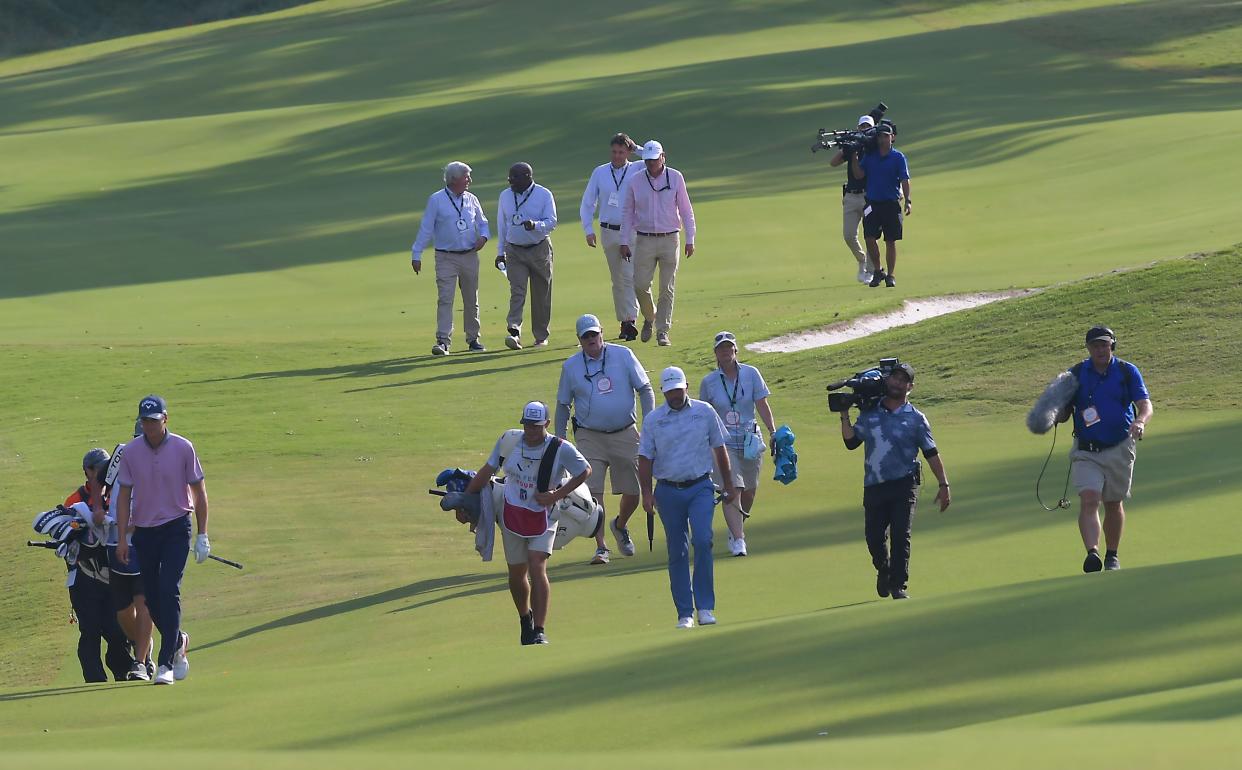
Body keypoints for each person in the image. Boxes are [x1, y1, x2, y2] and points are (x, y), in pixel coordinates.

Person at [463, 401, 591, 645]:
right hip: (512, 514)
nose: (531, 431)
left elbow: (585, 471)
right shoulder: (509, 440)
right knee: (516, 574)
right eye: (527, 425)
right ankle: (525, 618)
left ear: (547, 425)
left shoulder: (561, 448)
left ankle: (540, 630)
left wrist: (556, 495)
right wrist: (466, 500)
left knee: (537, 565)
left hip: (544, 515)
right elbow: (488, 470)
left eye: (537, 426)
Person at [115, 395, 210, 685]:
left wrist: (203, 534)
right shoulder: (131, 452)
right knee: (151, 599)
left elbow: (199, 492)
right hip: (144, 532)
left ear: (165, 419)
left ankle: (166, 663)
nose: (150, 427)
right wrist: (121, 539)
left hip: (176, 528)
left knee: (169, 589)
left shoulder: (183, 448)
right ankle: (178, 638)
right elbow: (124, 497)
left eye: (154, 421)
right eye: (145, 421)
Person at [839, 362, 949, 599]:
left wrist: (944, 484)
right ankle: (884, 569)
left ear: (910, 387)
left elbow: (931, 452)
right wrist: (844, 414)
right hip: (874, 484)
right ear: (887, 381)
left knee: (901, 535)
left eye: (903, 380)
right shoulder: (871, 412)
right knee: (874, 538)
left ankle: (898, 585)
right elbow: (851, 442)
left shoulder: (916, 419)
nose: (897, 383)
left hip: (904, 483)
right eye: (894, 378)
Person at [555, 313, 656, 565]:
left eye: (594, 334)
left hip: (625, 431)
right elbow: (563, 405)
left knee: (634, 492)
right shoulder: (571, 366)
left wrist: (650, 425)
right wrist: (559, 439)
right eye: (585, 336)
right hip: (590, 435)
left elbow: (645, 388)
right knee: (593, 493)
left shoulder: (623, 355)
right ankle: (602, 547)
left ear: (602, 333)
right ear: (579, 340)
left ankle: (620, 525)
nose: (591, 339)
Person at [638, 367, 735, 628]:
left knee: (702, 540)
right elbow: (645, 458)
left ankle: (704, 606)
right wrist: (646, 493)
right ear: (663, 392)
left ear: (686, 387)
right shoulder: (653, 420)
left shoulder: (704, 412)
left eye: (678, 390)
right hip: (668, 491)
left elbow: (719, 448)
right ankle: (685, 613)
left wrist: (728, 484)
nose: (675, 395)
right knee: (677, 551)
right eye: (670, 391)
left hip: (700, 486)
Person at [1056, 326, 1152, 573]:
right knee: (1089, 500)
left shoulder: (1126, 371)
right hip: (1086, 450)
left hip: (1120, 446)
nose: (1100, 349)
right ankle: (1092, 553)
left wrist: (1140, 421)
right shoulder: (1076, 374)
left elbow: (1145, 404)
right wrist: (1054, 413)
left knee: (1113, 503)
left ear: (1112, 346)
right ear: (1088, 348)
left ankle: (1112, 555)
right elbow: (1064, 413)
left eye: (1104, 344)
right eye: (1095, 345)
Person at [697, 331, 777, 557]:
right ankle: (739, 540)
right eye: (721, 348)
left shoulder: (752, 374)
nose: (725, 351)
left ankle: (735, 529)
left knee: (749, 491)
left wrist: (772, 431)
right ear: (715, 353)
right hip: (723, 443)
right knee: (733, 487)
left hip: (750, 440)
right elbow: (704, 414)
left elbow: (761, 404)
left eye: (729, 347)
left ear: (735, 350)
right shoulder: (709, 382)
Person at [62, 449, 136, 682]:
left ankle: (124, 672)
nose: (104, 473)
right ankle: (94, 680)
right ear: (88, 471)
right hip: (84, 579)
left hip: (112, 576)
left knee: (118, 632)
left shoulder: (115, 496)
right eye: (99, 468)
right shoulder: (74, 501)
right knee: (91, 631)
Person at [619, 140, 696, 347]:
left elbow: (686, 210)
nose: (651, 164)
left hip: (670, 238)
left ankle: (662, 331)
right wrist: (624, 241)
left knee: (667, 288)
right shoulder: (636, 180)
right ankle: (650, 316)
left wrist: (690, 239)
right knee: (640, 285)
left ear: (663, 157)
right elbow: (627, 212)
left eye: (654, 160)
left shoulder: (675, 177)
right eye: (648, 161)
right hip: (644, 239)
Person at [410, 160, 491, 356]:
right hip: (446, 257)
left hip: (470, 255)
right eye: (466, 176)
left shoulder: (472, 199)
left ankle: (473, 339)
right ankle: (443, 341)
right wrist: (416, 253)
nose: (469, 180)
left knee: (471, 299)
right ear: (455, 179)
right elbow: (426, 228)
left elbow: (483, 222)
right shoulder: (436, 200)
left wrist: (484, 237)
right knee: (445, 298)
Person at [580, 133, 644, 340]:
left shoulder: (636, 168)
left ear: (628, 152)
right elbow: (588, 202)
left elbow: (657, 157)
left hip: (630, 230)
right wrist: (588, 229)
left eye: (622, 152)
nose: (617, 156)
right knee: (617, 279)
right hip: (608, 230)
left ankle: (630, 320)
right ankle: (624, 320)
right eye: (614, 152)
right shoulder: (600, 172)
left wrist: (637, 148)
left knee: (629, 276)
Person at [496, 163, 557, 350]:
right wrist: (500, 253)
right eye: (510, 180)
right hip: (514, 249)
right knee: (517, 290)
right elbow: (502, 226)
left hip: (539, 248)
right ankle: (514, 331)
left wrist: (535, 225)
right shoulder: (505, 195)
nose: (511, 184)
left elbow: (552, 222)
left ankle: (541, 336)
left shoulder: (543, 194)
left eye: (515, 180)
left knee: (541, 294)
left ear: (527, 177)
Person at [850, 124, 911, 288]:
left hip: (891, 204)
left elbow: (905, 179)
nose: (882, 139)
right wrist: (854, 157)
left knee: (890, 240)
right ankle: (878, 271)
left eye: (886, 136)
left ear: (892, 137)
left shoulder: (898, 157)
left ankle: (890, 275)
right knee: (869, 238)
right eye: (880, 136)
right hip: (872, 204)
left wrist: (908, 200)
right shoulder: (870, 157)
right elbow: (859, 174)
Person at [828, 115, 879, 284]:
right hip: (850, 196)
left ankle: (871, 271)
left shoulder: (874, 148)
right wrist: (847, 149)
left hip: (869, 195)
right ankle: (861, 260)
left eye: (867, 126)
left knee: (870, 235)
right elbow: (833, 163)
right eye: (862, 126)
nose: (864, 128)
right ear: (858, 128)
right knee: (849, 235)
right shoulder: (852, 147)